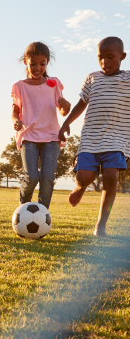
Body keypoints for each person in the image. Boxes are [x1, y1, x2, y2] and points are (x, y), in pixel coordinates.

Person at [59, 36, 129, 237]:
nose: (104, 62)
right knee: (85, 177)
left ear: (122, 56)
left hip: (117, 139)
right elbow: (81, 104)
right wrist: (65, 123)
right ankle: (80, 187)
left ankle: (101, 225)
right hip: (91, 137)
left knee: (110, 177)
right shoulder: (93, 77)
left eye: (110, 57)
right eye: (100, 58)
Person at [11, 42, 71, 209]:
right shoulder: (20, 86)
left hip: (51, 136)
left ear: (47, 62)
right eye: (33, 64)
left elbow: (63, 112)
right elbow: (14, 112)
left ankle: (42, 213)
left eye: (42, 64)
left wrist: (66, 105)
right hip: (28, 136)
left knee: (47, 178)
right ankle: (23, 210)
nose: (38, 68)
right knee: (31, 177)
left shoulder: (53, 84)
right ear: (25, 62)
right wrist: (16, 121)